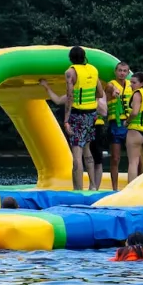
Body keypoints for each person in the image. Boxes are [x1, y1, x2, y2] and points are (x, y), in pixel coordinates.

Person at [39, 46, 105, 191]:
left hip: (77, 114)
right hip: (91, 115)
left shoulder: (70, 72)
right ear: (84, 57)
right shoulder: (93, 70)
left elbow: (69, 97)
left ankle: (78, 190)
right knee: (87, 150)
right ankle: (93, 186)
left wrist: (66, 120)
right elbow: (100, 93)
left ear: (71, 58)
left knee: (77, 154)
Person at [101, 61, 134, 192]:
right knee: (115, 158)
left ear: (128, 73)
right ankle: (114, 189)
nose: (122, 73)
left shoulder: (132, 86)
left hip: (131, 124)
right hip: (116, 124)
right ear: (115, 72)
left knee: (135, 158)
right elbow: (109, 89)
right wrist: (113, 91)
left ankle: (135, 186)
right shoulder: (110, 85)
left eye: (125, 71)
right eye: (119, 70)